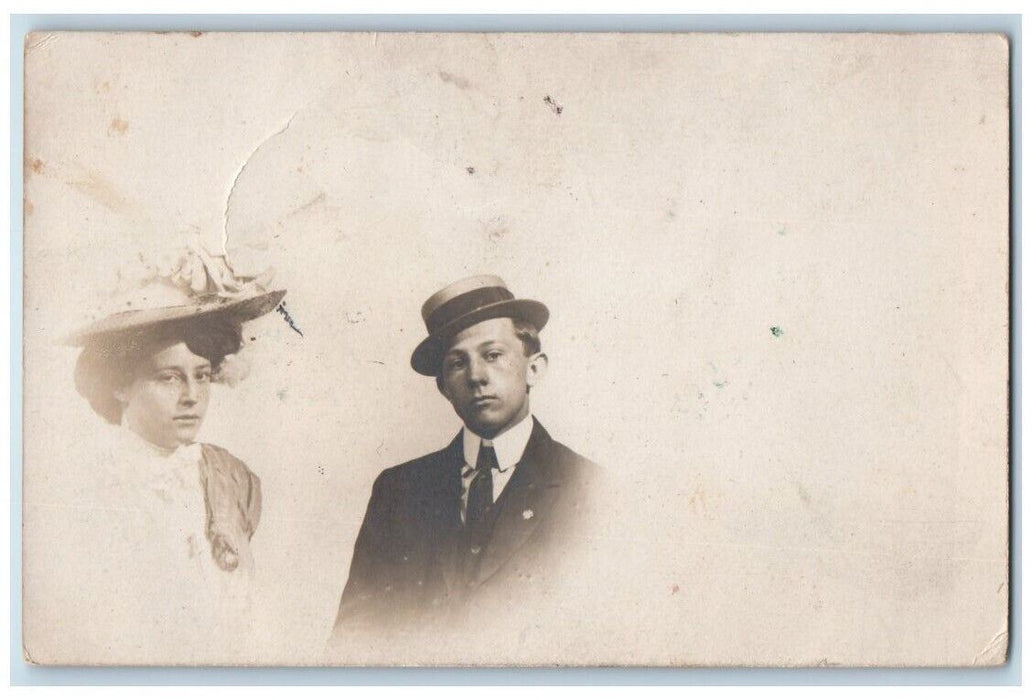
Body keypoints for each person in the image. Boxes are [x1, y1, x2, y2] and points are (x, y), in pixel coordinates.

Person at [25, 247, 285, 663]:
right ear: (119, 385)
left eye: (202, 376)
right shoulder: (81, 491)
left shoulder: (232, 478)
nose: (191, 397)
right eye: (168, 378)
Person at [331, 275, 601, 647]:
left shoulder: (591, 489)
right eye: (458, 363)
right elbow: (354, 641)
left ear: (534, 368)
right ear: (443, 386)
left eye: (493, 355)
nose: (476, 376)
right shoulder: (399, 490)